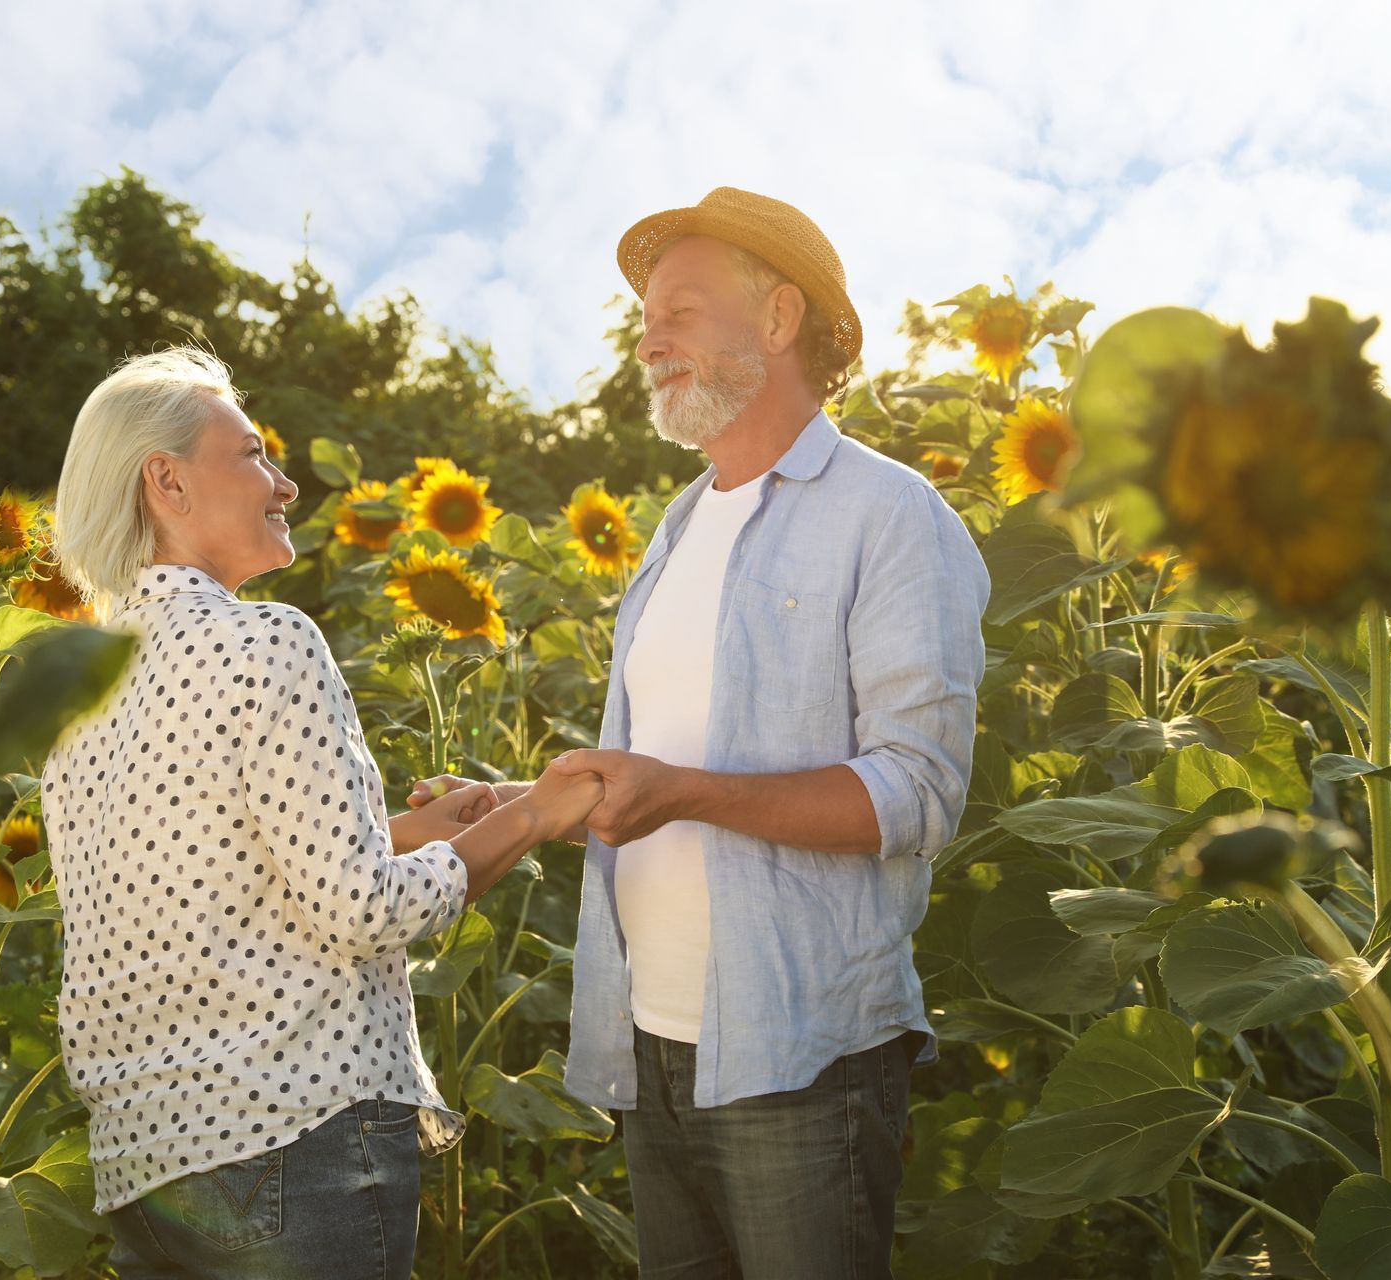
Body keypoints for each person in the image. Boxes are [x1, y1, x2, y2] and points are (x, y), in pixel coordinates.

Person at [409, 187, 990, 1277]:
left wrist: (682, 791)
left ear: (778, 320)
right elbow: (659, 772)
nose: (646, 334)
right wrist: (538, 800)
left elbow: (916, 793)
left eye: (678, 307)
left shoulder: (890, 513)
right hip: (654, 1046)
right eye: (646, 313)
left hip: (801, 1054)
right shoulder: (675, 531)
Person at [42, 347, 602, 1279]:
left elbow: (206, 875)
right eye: (254, 455)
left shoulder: (80, 701)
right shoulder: (268, 640)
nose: (287, 483)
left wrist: (420, 831)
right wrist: (533, 816)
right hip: (294, 1141)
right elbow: (361, 911)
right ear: (167, 481)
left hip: (147, 1171)